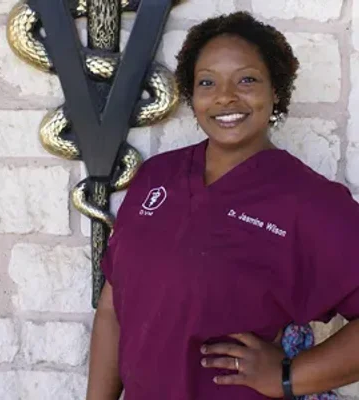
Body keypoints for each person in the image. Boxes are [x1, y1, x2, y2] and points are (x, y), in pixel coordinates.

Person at [86, 11, 359, 400]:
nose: (225, 96)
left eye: (247, 80)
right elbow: (113, 307)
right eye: (207, 82)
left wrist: (289, 377)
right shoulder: (156, 177)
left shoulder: (310, 203)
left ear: (275, 90)